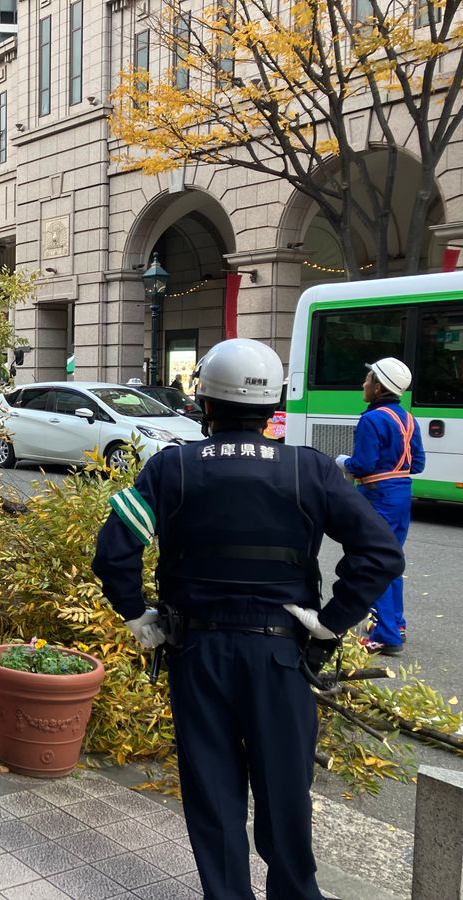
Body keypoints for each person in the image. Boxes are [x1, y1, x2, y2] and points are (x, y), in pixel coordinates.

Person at [92, 338, 403, 900]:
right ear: (272, 404)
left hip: (199, 655)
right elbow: (380, 554)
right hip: (283, 657)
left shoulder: (172, 469)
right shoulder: (309, 470)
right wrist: (329, 624)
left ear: (204, 402)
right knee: (286, 796)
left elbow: (113, 551)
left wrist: (138, 614)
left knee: (213, 799)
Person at [335, 357, 425, 655]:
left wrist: (342, 463)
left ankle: (386, 635)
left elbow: (363, 464)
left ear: (378, 386)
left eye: (368, 380)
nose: (364, 384)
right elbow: (419, 464)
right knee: (391, 560)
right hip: (402, 495)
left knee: (374, 562)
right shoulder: (408, 418)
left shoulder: (372, 419)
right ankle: (395, 623)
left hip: (378, 496)